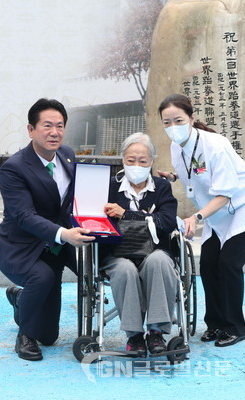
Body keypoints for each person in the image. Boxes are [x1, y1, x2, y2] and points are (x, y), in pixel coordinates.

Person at [157, 94, 245, 347]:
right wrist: (173, 177)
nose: (173, 127)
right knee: (208, 264)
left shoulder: (216, 145)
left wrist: (195, 217)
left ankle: (235, 327)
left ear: (192, 118)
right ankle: (215, 324)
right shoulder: (178, 147)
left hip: (242, 204)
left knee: (228, 263)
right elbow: (196, 174)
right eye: (167, 122)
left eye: (178, 120)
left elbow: (226, 193)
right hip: (215, 210)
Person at [0, 98, 95, 361]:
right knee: (42, 278)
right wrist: (64, 234)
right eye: (47, 126)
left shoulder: (67, 155)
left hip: (59, 245)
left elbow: (77, 199)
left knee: (49, 337)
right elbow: (25, 216)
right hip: (24, 247)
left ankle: (20, 300)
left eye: (60, 126)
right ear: (31, 130)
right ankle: (24, 335)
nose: (54, 132)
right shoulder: (14, 168)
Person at [101, 132, 179, 355]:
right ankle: (134, 336)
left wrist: (126, 215)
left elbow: (167, 222)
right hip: (117, 254)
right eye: (130, 160)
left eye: (142, 161)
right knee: (125, 269)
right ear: (123, 160)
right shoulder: (109, 187)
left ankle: (156, 332)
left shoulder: (162, 188)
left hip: (154, 251)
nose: (136, 165)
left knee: (160, 262)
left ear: (152, 161)